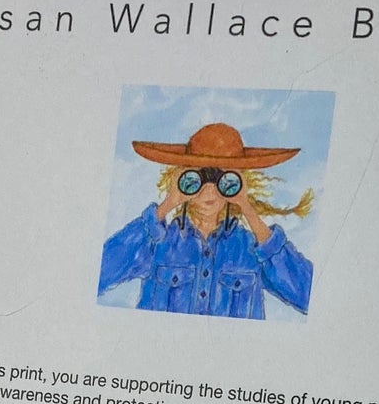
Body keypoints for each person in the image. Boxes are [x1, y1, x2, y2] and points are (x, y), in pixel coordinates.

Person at [99, 122, 313, 319]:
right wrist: (168, 204)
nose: (208, 190)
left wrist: (246, 206)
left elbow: (307, 294)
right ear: (178, 179)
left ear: (241, 181)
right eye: (195, 178)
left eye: (225, 179)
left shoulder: (250, 249)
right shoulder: (158, 244)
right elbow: (100, 273)